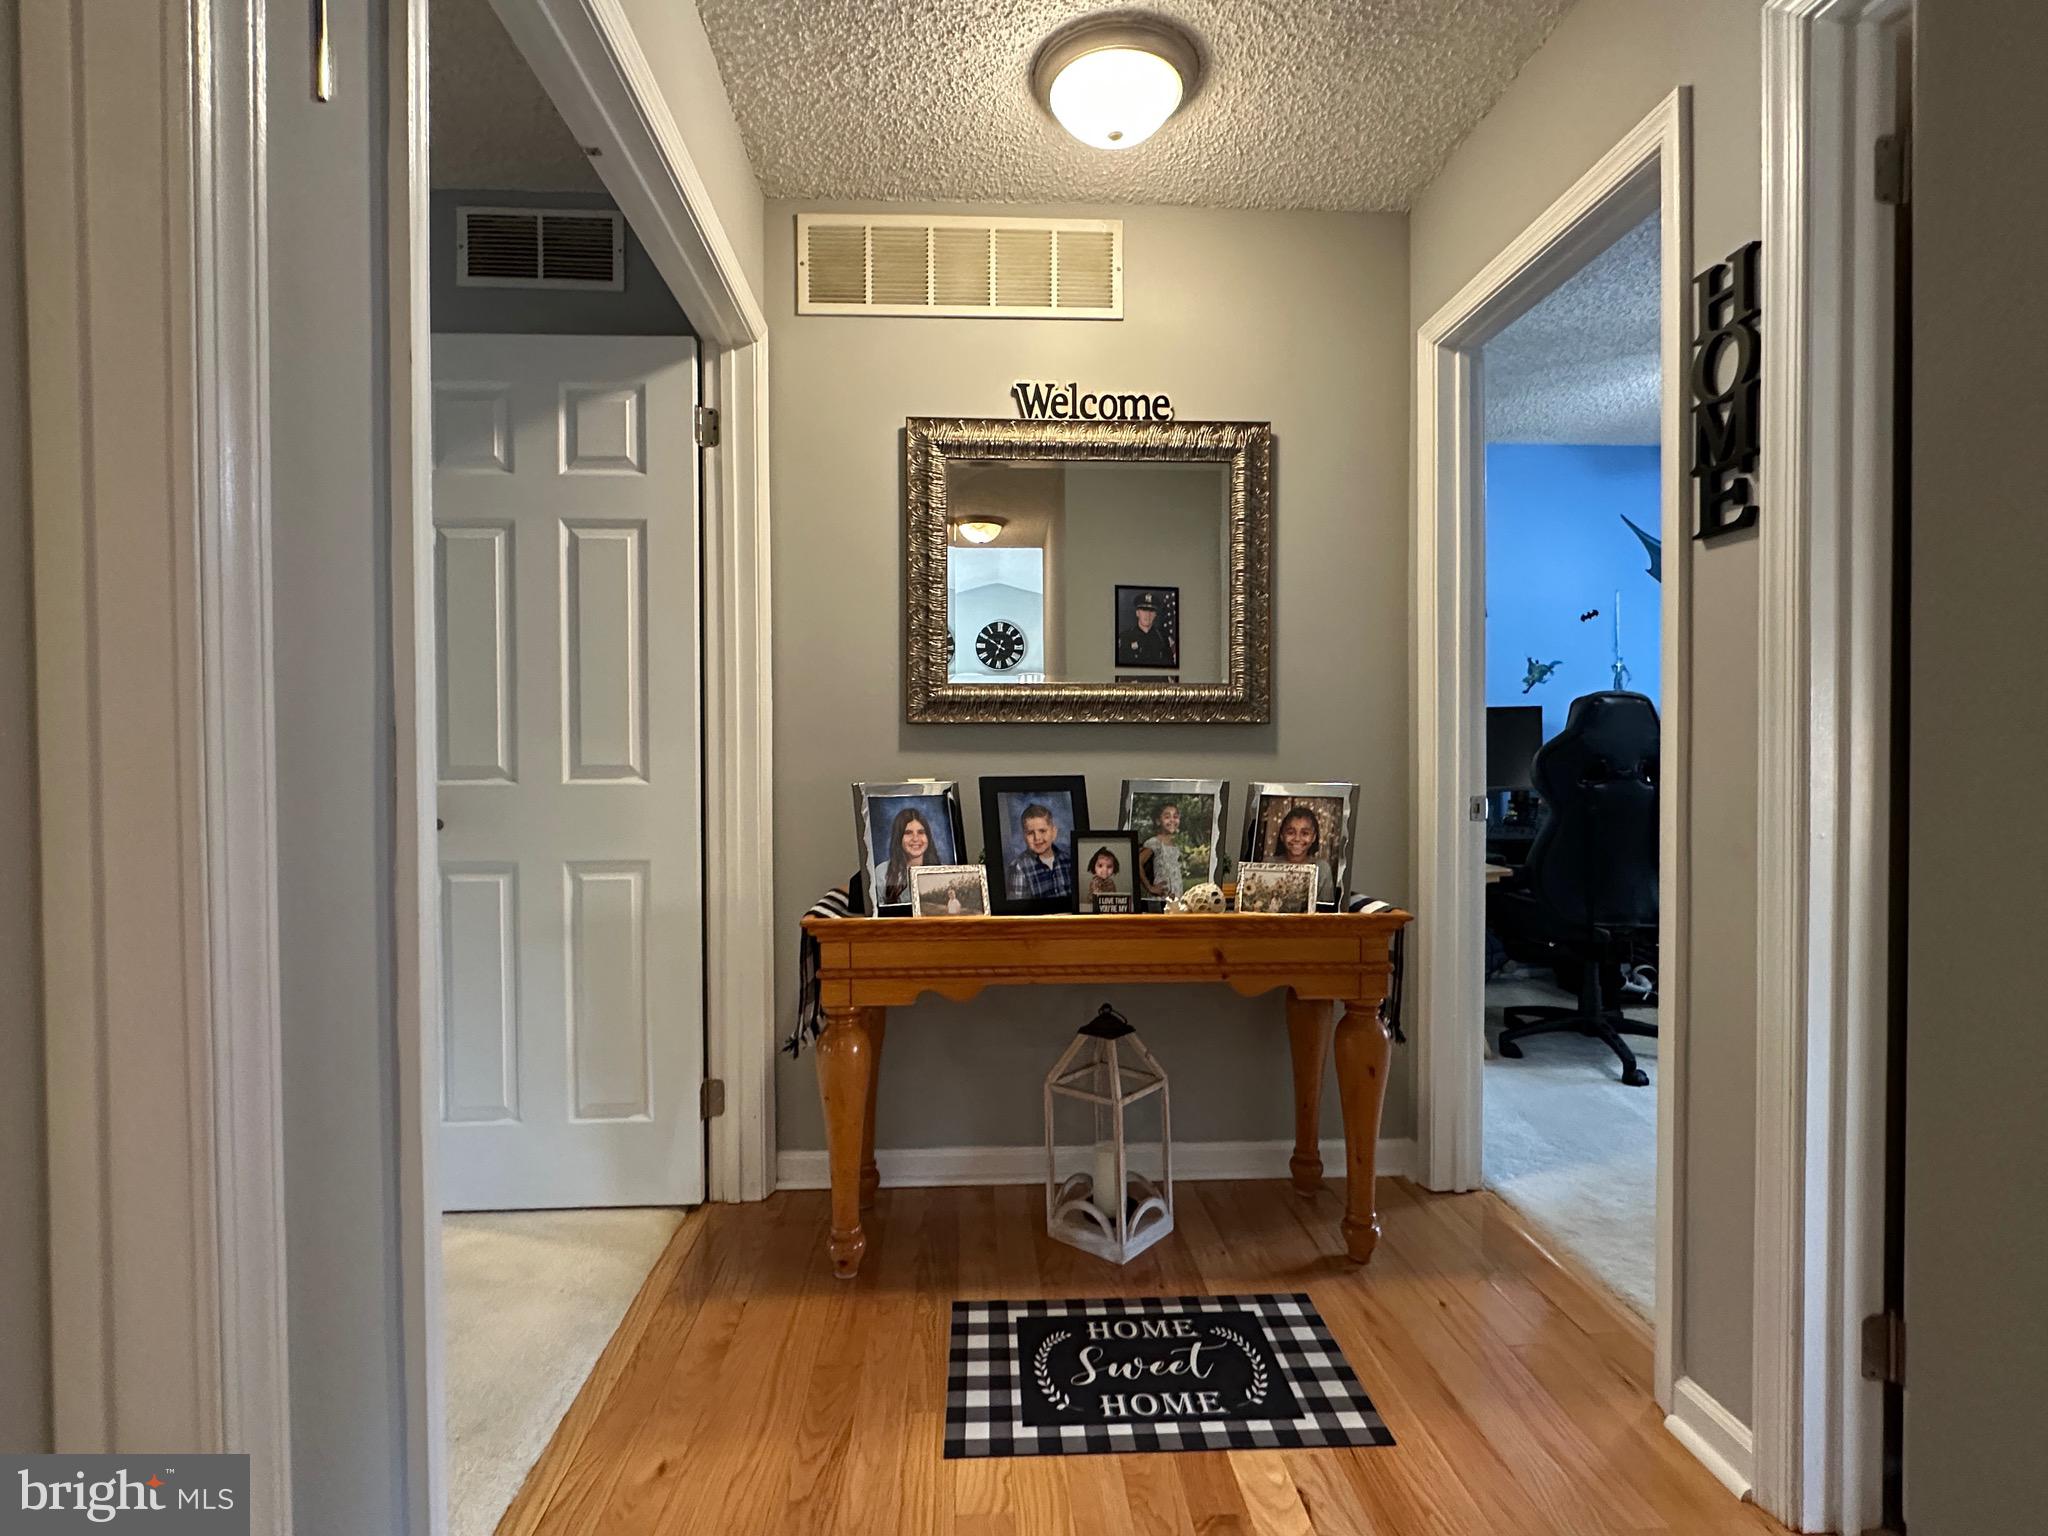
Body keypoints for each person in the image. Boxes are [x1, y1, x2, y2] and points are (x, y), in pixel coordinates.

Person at [1006, 802, 1072, 899]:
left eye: (1042, 831)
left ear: (1054, 832)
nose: (1037, 838)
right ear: (1024, 837)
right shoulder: (1019, 867)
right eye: (1030, 833)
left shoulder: (1068, 860)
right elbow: (1017, 909)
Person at [881, 806, 935, 905]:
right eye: (908, 833)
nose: (915, 838)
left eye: (921, 832)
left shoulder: (943, 871)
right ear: (899, 838)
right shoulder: (881, 872)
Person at [1271, 804, 1328, 894]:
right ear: (1282, 836)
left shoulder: (1321, 868)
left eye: (1305, 833)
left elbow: (1325, 907)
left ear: (1313, 837)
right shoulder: (1269, 864)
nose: (1297, 839)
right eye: (1290, 832)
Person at [1138, 802, 1185, 903]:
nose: (1172, 820)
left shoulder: (1175, 845)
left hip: (1176, 898)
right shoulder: (1155, 843)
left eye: (1175, 816)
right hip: (1160, 899)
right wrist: (1150, 888)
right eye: (1167, 817)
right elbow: (1137, 863)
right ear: (1158, 821)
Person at [1116, 591, 1176, 668]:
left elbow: (1169, 667)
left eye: (1151, 611)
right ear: (1137, 613)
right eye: (1144, 610)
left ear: (1155, 614)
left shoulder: (1163, 639)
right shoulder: (1125, 638)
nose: (1147, 614)